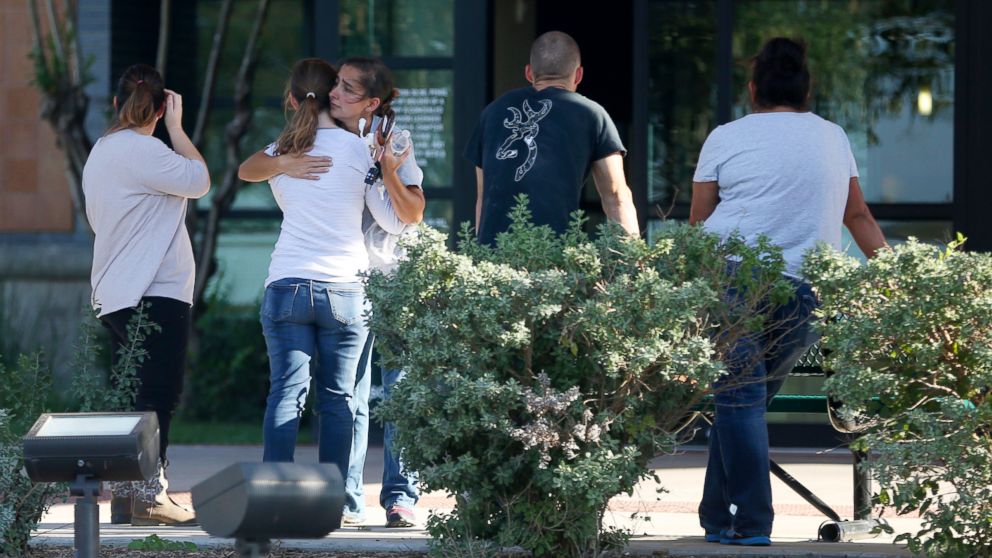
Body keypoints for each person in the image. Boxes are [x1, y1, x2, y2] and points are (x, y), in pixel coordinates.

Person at [689, 37, 887, 546]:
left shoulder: (726, 137)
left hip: (732, 279)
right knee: (743, 402)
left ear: (753, 89)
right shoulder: (833, 137)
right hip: (804, 288)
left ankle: (751, 524)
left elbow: (699, 218)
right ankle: (716, 516)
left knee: (739, 401)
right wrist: (892, 277)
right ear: (806, 90)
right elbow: (857, 215)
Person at [238, 57, 424, 528]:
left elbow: (247, 170)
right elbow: (391, 219)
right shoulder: (358, 151)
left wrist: (285, 162)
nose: (340, 94)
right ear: (323, 95)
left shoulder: (289, 148)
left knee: (286, 394)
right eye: (336, 86)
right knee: (340, 401)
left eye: (349, 88)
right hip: (346, 288)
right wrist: (378, 171)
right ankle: (334, 503)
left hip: (291, 282)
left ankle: (272, 500)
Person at [83, 63, 210, 526]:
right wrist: (176, 128)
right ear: (160, 108)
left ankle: (127, 494)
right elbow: (199, 179)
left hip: (115, 292)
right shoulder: (149, 153)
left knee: (132, 393)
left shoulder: (101, 151)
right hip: (156, 291)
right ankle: (150, 496)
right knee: (158, 395)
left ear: (116, 103)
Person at [465, 30, 639, 244]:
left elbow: (483, 197)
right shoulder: (592, 114)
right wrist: (632, 263)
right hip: (555, 257)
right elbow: (616, 196)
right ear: (578, 75)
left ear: (529, 73)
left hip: (495, 259)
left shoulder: (492, 113)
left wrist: (481, 257)